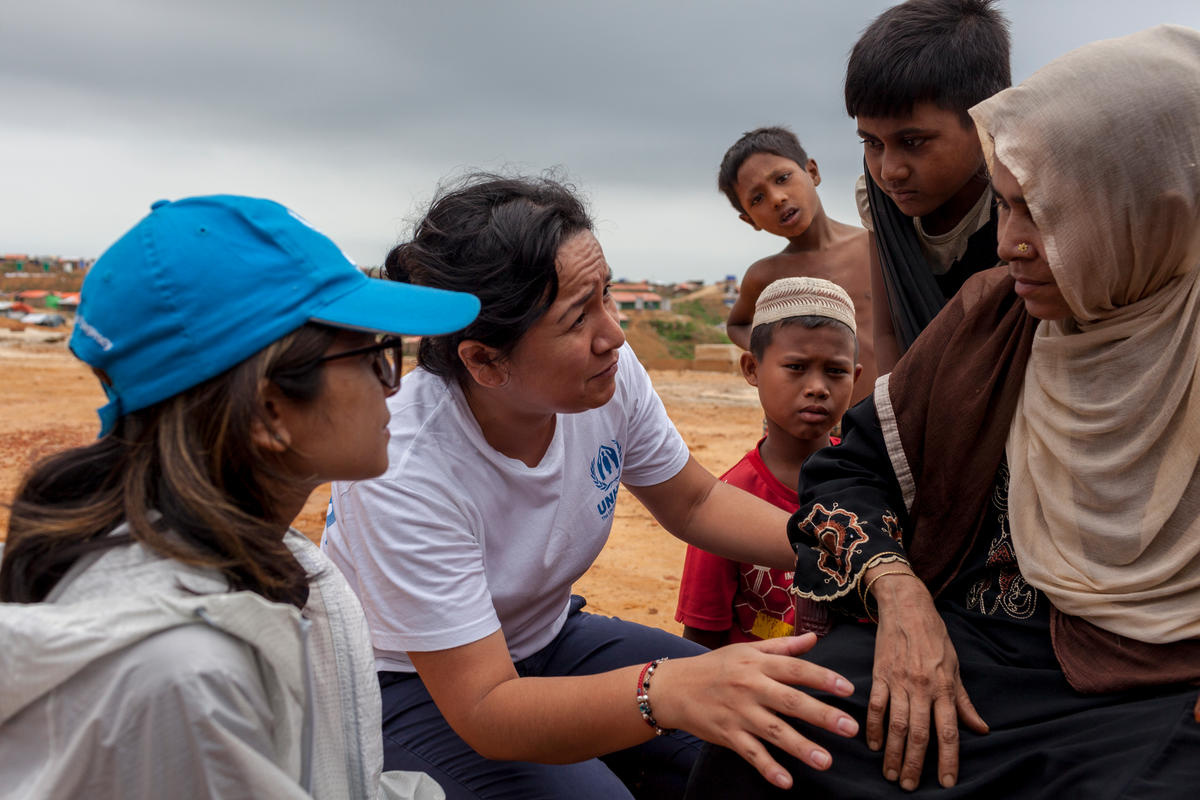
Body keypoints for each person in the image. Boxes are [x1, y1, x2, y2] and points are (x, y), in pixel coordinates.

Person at [685, 25, 1200, 798]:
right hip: (970, 647)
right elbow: (850, 469)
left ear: (1148, 209)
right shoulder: (995, 314)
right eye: (1008, 209)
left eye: (1043, 214)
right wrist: (899, 591)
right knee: (772, 736)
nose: (1013, 244)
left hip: (1154, 687)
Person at [320, 174, 862, 799]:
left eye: (605, 294)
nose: (615, 333)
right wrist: (664, 691)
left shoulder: (604, 373)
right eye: (579, 317)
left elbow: (694, 500)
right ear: (485, 361)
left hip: (547, 638)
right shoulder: (407, 470)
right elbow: (488, 709)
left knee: (785, 739)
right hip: (416, 685)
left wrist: (838, 545)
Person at [0, 195, 481, 799]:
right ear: (268, 411)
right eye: (375, 358)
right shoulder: (184, 678)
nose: (394, 386)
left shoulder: (283, 570)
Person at [676, 277, 861, 648]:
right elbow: (701, 640)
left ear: (856, 378)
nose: (817, 387)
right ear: (752, 369)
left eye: (836, 371)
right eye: (796, 367)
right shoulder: (725, 504)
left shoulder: (869, 482)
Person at [847, 0, 1011, 371]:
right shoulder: (879, 202)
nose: (890, 171)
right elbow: (889, 333)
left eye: (913, 141)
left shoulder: (1023, 200)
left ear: (985, 118)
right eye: (872, 143)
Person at [719, 127, 877, 405]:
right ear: (750, 220)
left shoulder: (874, 246)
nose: (777, 198)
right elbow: (737, 324)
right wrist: (775, 350)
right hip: (815, 422)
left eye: (782, 178)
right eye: (757, 199)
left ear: (812, 172)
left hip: (890, 411)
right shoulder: (765, 275)